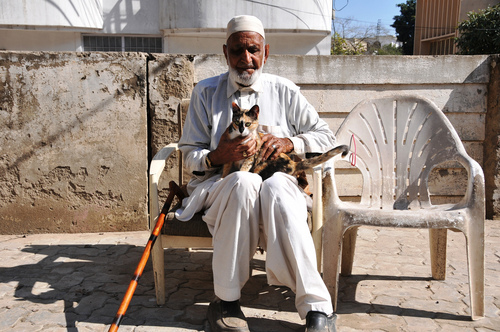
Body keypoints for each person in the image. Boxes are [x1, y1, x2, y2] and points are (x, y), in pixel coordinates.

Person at [176, 15, 337, 332]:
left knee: (276, 185)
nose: (245, 59)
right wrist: (216, 156)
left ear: (266, 52)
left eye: (253, 50)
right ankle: (226, 301)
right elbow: (188, 155)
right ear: (226, 53)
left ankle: (318, 309)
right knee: (243, 181)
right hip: (223, 188)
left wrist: (291, 141)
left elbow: (326, 138)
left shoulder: (285, 91)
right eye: (238, 50)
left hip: (280, 188)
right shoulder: (205, 93)